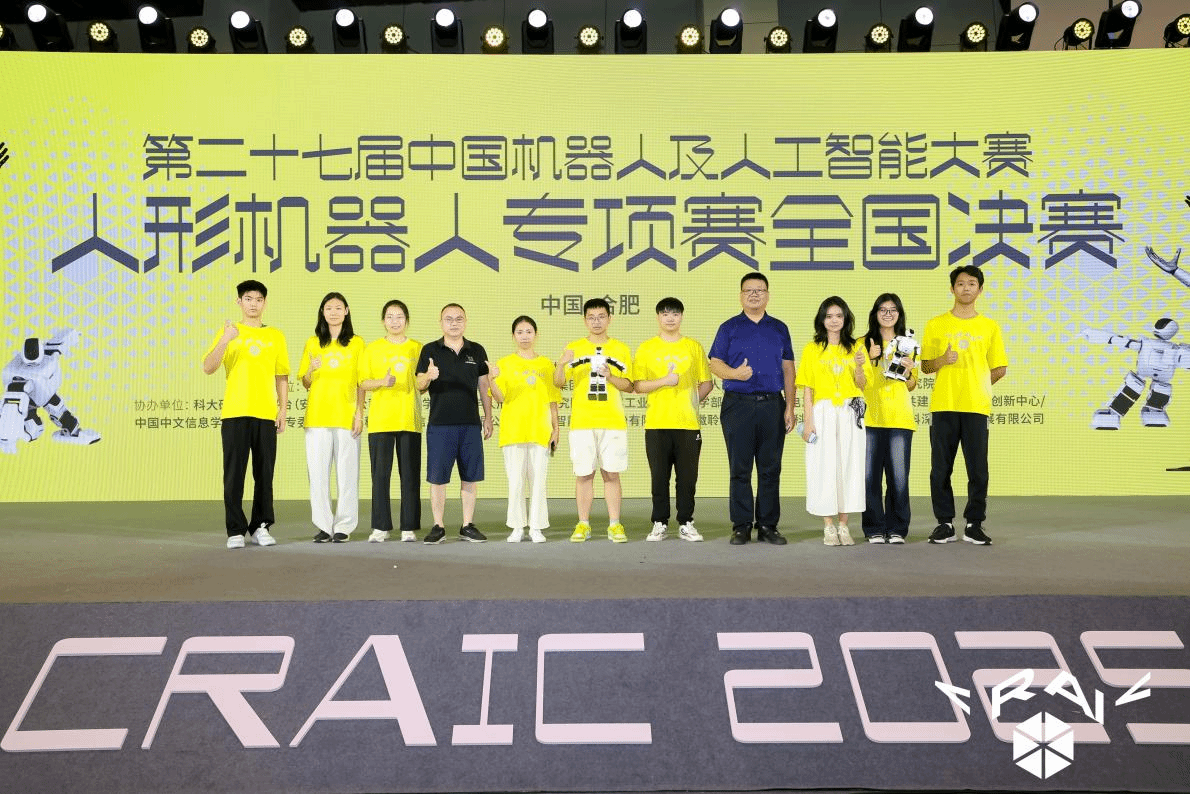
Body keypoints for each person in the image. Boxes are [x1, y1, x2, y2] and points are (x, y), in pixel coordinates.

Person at [920, 265, 1008, 546]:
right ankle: (944, 524)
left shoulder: (989, 326)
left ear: (980, 290)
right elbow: (925, 366)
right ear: (952, 289)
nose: (966, 288)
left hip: (976, 407)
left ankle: (974, 524)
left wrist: (978, 385)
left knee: (978, 469)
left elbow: (1000, 368)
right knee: (940, 469)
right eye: (960, 283)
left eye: (972, 283)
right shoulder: (936, 324)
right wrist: (943, 361)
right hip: (943, 405)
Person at [708, 273, 796, 546]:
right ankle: (742, 525)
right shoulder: (729, 327)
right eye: (749, 290)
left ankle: (768, 525)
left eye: (760, 290)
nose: (755, 294)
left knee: (770, 469)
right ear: (741, 295)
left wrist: (790, 407)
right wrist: (734, 373)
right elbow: (714, 363)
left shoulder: (779, 328)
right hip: (738, 405)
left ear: (768, 295)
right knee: (740, 468)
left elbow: (789, 369)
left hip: (772, 404)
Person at [201, 280, 290, 550]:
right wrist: (225, 340)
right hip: (235, 413)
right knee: (234, 474)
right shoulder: (229, 331)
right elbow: (208, 367)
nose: (254, 304)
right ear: (239, 302)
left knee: (264, 474)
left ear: (265, 303)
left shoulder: (275, 335)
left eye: (259, 299)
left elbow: (281, 376)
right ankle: (235, 530)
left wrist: (283, 409)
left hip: (265, 414)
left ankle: (261, 526)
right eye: (248, 299)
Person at [554, 298, 634, 543]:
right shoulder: (574, 347)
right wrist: (561, 364)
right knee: (584, 474)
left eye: (601, 316)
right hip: (582, 421)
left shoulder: (620, 348)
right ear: (585, 320)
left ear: (610, 318)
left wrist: (610, 376)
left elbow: (629, 385)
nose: (596, 321)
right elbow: (558, 383)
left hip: (612, 421)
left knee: (611, 474)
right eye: (591, 317)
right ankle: (583, 524)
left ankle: (615, 525)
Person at [633, 297, 713, 542]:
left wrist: (691, 402)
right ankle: (659, 522)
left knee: (687, 478)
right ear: (658, 317)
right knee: (659, 477)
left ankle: (686, 522)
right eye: (665, 314)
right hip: (657, 423)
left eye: (675, 314)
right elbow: (638, 385)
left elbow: (707, 383)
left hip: (688, 424)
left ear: (681, 317)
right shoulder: (647, 348)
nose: (670, 318)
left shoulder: (693, 346)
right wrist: (665, 382)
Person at [416, 303, 493, 544]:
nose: (454, 323)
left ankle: (467, 525)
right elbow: (419, 385)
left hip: (470, 424)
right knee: (438, 478)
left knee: (470, 476)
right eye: (448, 319)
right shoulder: (430, 350)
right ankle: (438, 526)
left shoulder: (477, 350)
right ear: (441, 323)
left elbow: (484, 386)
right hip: (440, 424)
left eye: (459, 319)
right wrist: (428, 376)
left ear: (465, 322)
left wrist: (488, 417)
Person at [797, 297, 868, 546]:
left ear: (846, 319)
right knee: (823, 465)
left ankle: (844, 525)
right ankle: (828, 526)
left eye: (839, 316)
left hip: (850, 411)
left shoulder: (857, 347)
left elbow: (862, 384)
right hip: (823, 410)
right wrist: (808, 421)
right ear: (822, 320)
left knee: (849, 465)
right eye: (829, 316)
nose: (834, 320)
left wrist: (859, 366)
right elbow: (807, 389)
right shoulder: (812, 349)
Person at [298, 292, 364, 543]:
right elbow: (306, 382)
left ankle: (344, 526)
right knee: (318, 474)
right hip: (317, 417)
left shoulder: (357, 343)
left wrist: (359, 414)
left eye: (338, 308)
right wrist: (311, 369)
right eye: (328, 308)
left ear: (346, 311)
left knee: (348, 474)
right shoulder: (313, 343)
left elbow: (361, 382)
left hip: (347, 416)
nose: (333, 312)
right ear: (322, 312)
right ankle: (324, 525)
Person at [489, 316, 560, 543]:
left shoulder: (546, 364)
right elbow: (499, 397)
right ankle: (517, 527)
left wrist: (556, 428)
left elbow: (553, 400)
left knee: (539, 481)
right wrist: (491, 379)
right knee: (516, 482)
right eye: (520, 332)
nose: (524, 336)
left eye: (529, 331)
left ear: (536, 335)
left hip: (540, 430)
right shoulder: (505, 364)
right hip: (513, 431)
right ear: (513, 336)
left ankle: (536, 527)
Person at [359, 299, 423, 543]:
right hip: (381, 420)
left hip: (409, 419)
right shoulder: (372, 348)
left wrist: (428, 377)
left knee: (410, 475)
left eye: (399, 317)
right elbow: (363, 382)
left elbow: (422, 383)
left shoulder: (417, 348)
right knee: (380, 476)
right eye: (390, 317)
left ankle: (408, 527)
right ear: (383, 321)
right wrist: (382, 383)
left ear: (407, 320)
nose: (395, 321)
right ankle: (380, 527)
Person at [861, 294, 918, 544]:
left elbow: (912, 384)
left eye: (893, 309)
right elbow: (856, 381)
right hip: (870, 418)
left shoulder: (907, 344)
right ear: (875, 313)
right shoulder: (862, 343)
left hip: (899, 419)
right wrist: (869, 357)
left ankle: (897, 528)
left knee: (899, 477)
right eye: (883, 309)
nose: (888, 314)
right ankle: (874, 528)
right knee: (870, 477)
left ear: (899, 314)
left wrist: (908, 372)